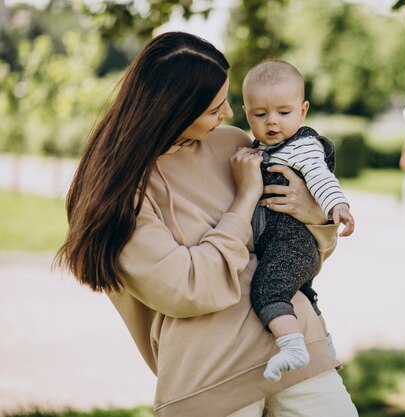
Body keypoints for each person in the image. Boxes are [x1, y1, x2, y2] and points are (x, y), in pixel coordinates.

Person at [55, 32, 358, 417]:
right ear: (173, 111)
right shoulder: (117, 195)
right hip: (210, 376)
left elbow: (300, 247)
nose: (230, 115)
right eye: (215, 108)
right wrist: (244, 199)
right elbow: (189, 289)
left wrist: (313, 214)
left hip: (294, 347)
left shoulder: (234, 144)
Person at [241, 60, 355, 382]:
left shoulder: (302, 146)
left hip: (293, 242)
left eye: (283, 113)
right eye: (260, 115)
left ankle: (292, 347)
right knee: (306, 294)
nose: (272, 122)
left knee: (268, 289)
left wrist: (337, 205)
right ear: (247, 113)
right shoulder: (261, 148)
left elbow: (320, 178)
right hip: (281, 243)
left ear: (303, 111)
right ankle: (326, 348)